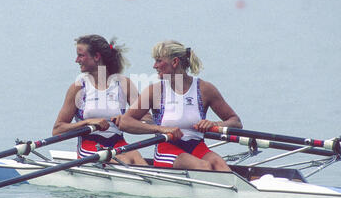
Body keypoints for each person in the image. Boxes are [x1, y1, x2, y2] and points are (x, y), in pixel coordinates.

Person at [118, 40, 242, 171]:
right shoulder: (155, 91)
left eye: (159, 61)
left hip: (197, 147)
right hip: (166, 149)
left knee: (221, 166)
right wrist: (160, 129)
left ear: (175, 62)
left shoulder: (205, 89)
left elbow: (236, 122)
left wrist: (214, 124)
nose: (155, 66)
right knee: (203, 166)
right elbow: (125, 122)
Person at [52, 34, 149, 165]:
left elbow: (147, 118)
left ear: (97, 57)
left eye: (81, 55)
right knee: (123, 160)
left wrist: (128, 119)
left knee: (136, 156)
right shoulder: (78, 88)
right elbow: (57, 130)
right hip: (90, 146)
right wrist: (88, 122)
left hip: (118, 142)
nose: (76, 60)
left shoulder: (123, 84)